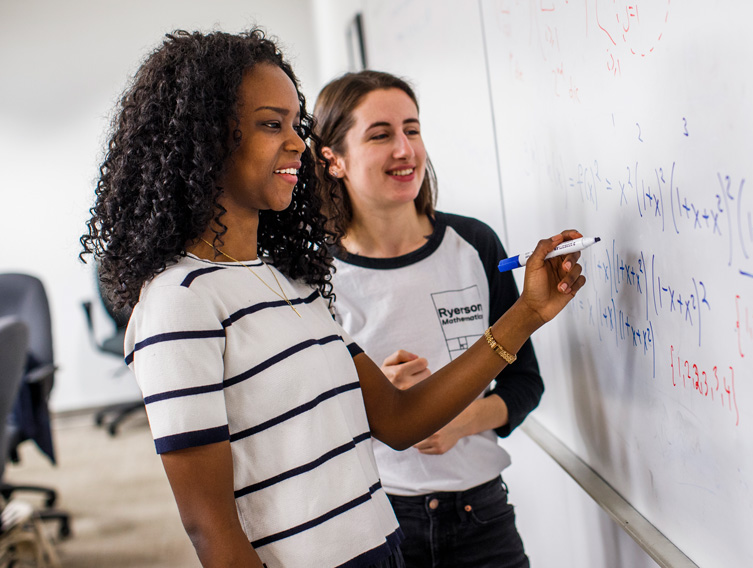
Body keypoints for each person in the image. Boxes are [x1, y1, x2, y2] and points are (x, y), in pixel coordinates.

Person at [80, 29, 585, 568]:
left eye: (295, 124)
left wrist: (528, 312)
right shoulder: (179, 301)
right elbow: (212, 531)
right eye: (271, 124)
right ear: (203, 140)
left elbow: (399, 419)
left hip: (384, 548)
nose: (298, 141)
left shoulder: (292, 280)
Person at [311, 71, 545, 568]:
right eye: (381, 135)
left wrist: (461, 420)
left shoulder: (476, 245)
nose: (405, 150)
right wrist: (378, 402)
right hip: (375, 520)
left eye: (412, 130)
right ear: (333, 160)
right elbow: (309, 422)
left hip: (482, 515)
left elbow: (525, 382)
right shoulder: (313, 279)